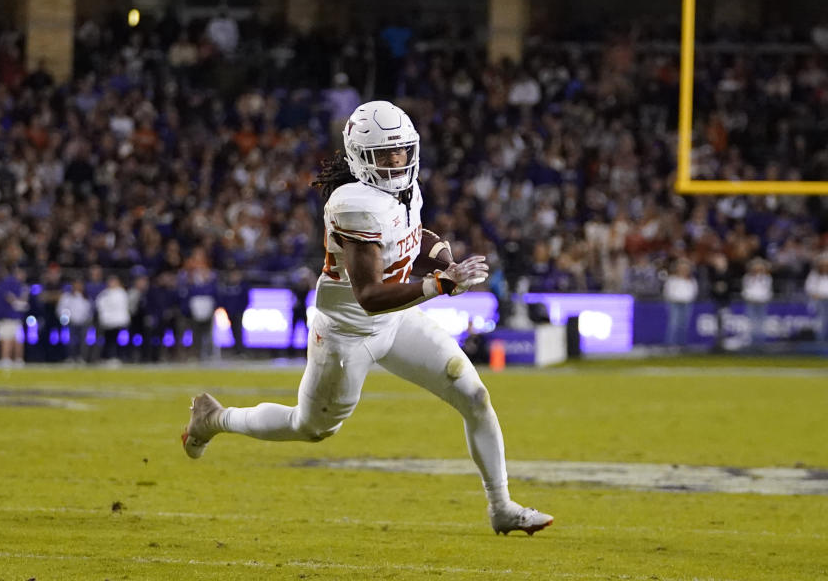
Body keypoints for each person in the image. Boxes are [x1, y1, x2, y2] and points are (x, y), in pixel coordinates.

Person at [181, 100, 553, 536]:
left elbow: (415, 232)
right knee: (311, 427)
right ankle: (214, 419)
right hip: (348, 334)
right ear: (359, 157)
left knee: (474, 396)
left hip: (396, 321)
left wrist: (444, 259)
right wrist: (441, 285)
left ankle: (501, 506)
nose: (396, 162)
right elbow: (371, 296)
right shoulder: (353, 204)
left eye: (401, 152)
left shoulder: (402, 189)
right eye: (385, 155)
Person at [663, 258, 697, 346]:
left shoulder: (691, 280)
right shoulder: (672, 279)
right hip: (675, 304)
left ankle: (682, 344)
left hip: (686, 304)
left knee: (684, 325)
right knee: (673, 324)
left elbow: (694, 292)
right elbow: (667, 292)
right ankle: (670, 344)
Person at [741, 258, 772, 346]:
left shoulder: (766, 278)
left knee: (761, 323)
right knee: (752, 322)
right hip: (751, 303)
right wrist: (750, 298)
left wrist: (762, 299)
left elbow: (768, 292)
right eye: (755, 268)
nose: (757, 270)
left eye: (759, 268)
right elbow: (745, 291)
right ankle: (752, 343)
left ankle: (760, 343)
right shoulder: (747, 278)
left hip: (762, 303)